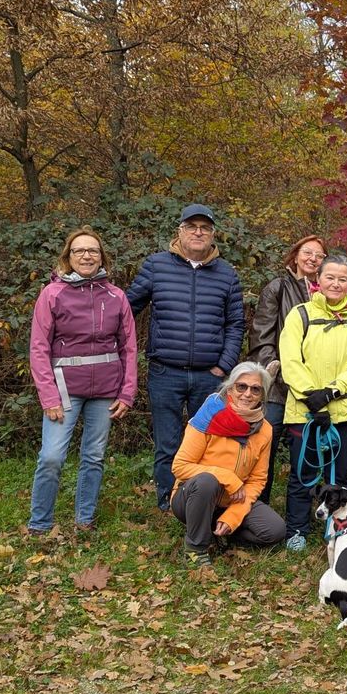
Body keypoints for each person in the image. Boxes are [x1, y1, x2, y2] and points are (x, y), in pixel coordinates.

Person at [126, 203, 244, 515]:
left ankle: (201, 501)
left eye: (205, 228)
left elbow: (235, 324)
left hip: (209, 374)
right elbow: (126, 309)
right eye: (192, 226)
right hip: (166, 372)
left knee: (208, 441)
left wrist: (224, 365)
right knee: (168, 443)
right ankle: (168, 501)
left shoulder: (227, 274)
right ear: (180, 231)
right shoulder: (157, 266)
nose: (198, 232)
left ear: (213, 235)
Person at [27, 228, 137, 535]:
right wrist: (48, 397)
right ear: (68, 257)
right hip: (63, 390)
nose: (86, 256)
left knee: (94, 456)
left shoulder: (117, 296)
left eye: (92, 251)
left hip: (105, 392)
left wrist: (127, 392)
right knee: (51, 457)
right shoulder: (52, 294)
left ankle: (84, 520)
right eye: (79, 251)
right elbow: (38, 347)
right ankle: (40, 524)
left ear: (102, 257)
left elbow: (129, 347)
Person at [277, 253, 347, 551]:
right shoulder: (300, 314)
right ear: (318, 279)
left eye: (342, 278)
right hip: (304, 411)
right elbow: (290, 359)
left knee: (340, 476)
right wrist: (312, 397)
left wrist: (332, 392)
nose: (335, 283)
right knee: (303, 474)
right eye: (330, 277)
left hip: (343, 411)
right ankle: (297, 530)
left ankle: (339, 529)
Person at [169, 363, 286, 565]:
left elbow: (258, 480)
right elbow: (180, 465)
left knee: (275, 530)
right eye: (241, 386)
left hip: (231, 501)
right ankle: (195, 548)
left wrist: (233, 516)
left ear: (262, 395)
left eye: (255, 389)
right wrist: (228, 477)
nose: (247, 394)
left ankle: (218, 531)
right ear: (230, 388)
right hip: (191, 496)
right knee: (207, 481)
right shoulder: (208, 415)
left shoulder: (265, 429)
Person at [248, 234, 327, 505]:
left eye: (319, 255)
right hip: (277, 389)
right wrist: (279, 376)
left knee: (305, 453)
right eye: (308, 252)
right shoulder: (277, 288)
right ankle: (258, 510)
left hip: (311, 390)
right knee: (263, 453)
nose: (313, 258)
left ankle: (301, 517)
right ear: (295, 255)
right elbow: (261, 337)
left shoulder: (328, 293)